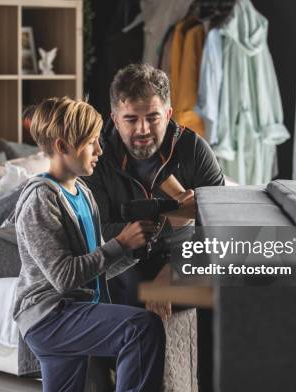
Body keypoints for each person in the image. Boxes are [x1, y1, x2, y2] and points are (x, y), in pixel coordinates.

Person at [13, 97, 166, 392]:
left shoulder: (83, 193)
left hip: (70, 311)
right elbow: (64, 277)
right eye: (91, 143)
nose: (99, 150)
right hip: (51, 316)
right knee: (141, 328)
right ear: (62, 147)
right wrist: (120, 242)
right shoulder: (40, 199)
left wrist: (133, 248)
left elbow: (94, 268)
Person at [82, 63, 225, 316]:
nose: (142, 130)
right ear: (114, 119)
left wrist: (174, 269)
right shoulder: (96, 157)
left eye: (152, 118)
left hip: (182, 256)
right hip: (123, 261)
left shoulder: (194, 150)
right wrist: (168, 220)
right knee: (123, 288)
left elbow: (223, 232)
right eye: (130, 119)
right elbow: (98, 234)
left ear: (168, 114)